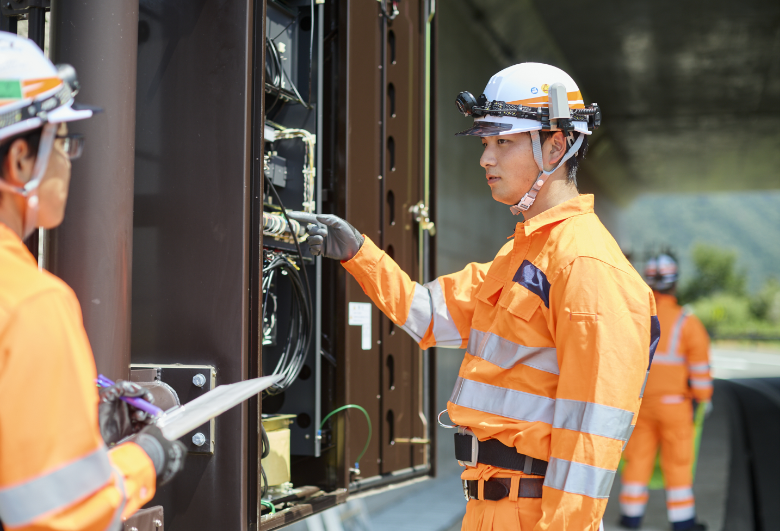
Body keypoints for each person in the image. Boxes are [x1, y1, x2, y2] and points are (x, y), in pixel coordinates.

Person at [291, 63, 658, 530]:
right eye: (485, 143)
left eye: (502, 142)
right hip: (490, 508)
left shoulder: (586, 266)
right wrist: (358, 253)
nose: (486, 159)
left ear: (555, 145)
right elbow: (426, 315)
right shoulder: (521, 256)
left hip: (534, 515)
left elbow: (591, 437)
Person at [0, 32, 185, 531]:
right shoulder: (32, 303)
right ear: (20, 160)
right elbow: (61, 514)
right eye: (63, 142)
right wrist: (147, 458)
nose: (68, 161)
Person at [619, 254, 712, 531]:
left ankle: (630, 517)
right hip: (675, 408)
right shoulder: (688, 323)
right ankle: (683, 523)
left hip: (640, 404)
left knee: (637, 460)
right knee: (678, 463)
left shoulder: (635, 319)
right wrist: (703, 401)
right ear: (675, 284)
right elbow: (700, 372)